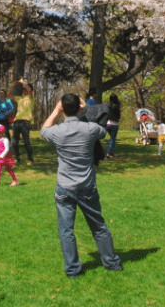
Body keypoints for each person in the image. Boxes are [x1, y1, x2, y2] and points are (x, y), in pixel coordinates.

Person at [40, 93, 122, 278]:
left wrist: (55, 110)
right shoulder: (90, 129)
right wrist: (85, 110)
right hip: (86, 186)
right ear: (79, 107)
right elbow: (103, 131)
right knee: (99, 226)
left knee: (66, 230)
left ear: (62, 109)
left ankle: (73, 269)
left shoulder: (57, 132)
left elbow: (44, 130)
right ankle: (111, 263)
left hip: (64, 186)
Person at [10, 79, 35, 164]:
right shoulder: (19, 98)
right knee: (14, 142)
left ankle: (30, 159)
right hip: (17, 121)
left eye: (25, 89)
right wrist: (13, 85)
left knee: (26, 141)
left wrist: (22, 82)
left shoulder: (31, 98)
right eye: (23, 89)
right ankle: (17, 158)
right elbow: (9, 95)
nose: (24, 90)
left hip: (26, 122)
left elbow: (29, 89)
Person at [105, 94, 121, 159]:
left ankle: (111, 153)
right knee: (112, 139)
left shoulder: (107, 105)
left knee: (112, 138)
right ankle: (109, 153)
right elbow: (118, 116)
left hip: (108, 123)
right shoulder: (117, 106)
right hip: (114, 124)